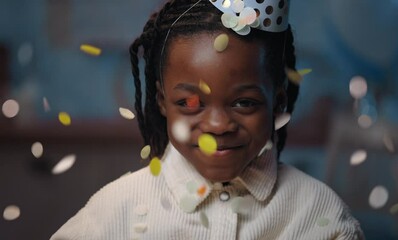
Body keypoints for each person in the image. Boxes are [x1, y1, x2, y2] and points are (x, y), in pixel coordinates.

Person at [51, 0, 364, 239]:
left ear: (277, 102)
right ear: (162, 102)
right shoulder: (115, 211)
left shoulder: (317, 213)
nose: (217, 125)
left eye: (244, 102)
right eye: (189, 103)